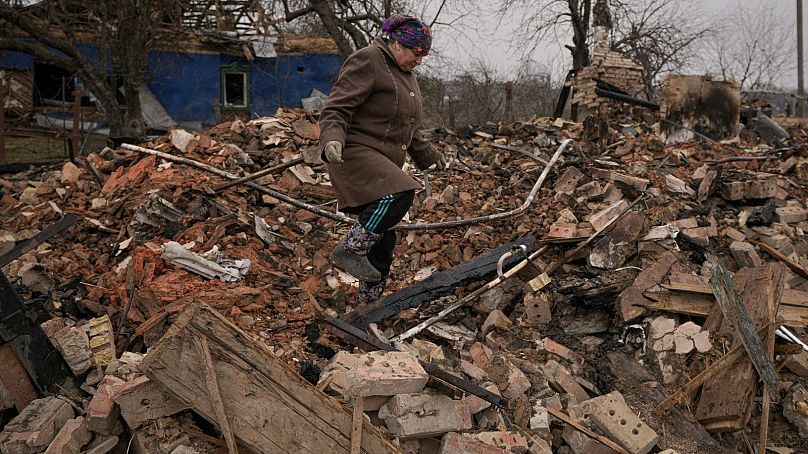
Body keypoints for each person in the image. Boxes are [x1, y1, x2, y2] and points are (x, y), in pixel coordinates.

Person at [318, 14, 446, 305]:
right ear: (398, 44)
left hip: (382, 161)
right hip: (353, 153)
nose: (420, 60)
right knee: (400, 192)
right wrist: (332, 139)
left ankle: (369, 306)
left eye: (424, 55)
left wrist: (430, 157)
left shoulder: (408, 76)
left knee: (384, 241)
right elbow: (336, 108)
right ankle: (350, 249)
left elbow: (409, 127)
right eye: (417, 53)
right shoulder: (369, 60)